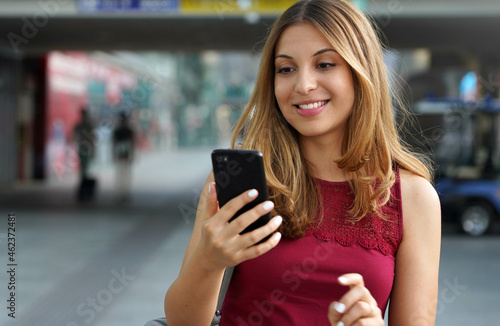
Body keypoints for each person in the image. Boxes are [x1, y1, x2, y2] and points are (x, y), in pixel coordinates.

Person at [164, 0, 441, 325]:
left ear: (361, 71)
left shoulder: (414, 198)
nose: (303, 84)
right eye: (286, 69)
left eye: (324, 64)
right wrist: (208, 262)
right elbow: (182, 321)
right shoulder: (240, 179)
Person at [112, 112, 135, 201]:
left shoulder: (119, 130)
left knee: (122, 173)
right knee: (124, 173)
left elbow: (114, 143)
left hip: (122, 153)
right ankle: (123, 191)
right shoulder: (128, 130)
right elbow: (132, 143)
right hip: (124, 153)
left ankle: (122, 191)